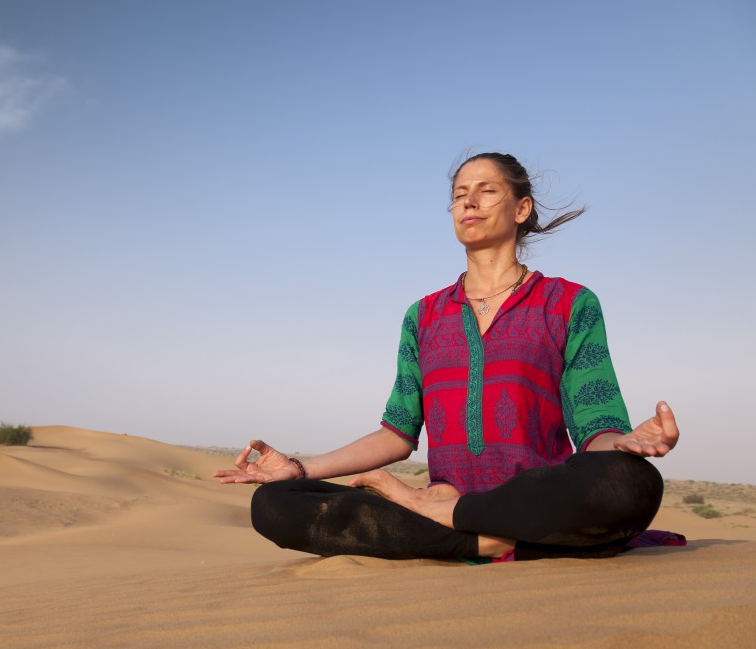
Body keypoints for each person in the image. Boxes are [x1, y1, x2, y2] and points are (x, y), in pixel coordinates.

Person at [214, 152, 681, 562]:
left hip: (534, 501)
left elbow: (596, 427)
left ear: (522, 208)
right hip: (438, 499)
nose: (468, 203)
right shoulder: (424, 316)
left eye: (486, 191)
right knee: (274, 503)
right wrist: (298, 469)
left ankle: (463, 522)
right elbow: (397, 433)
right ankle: (483, 542)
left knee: (631, 482)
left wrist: (623, 446)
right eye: (459, 194)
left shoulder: (569, 303)